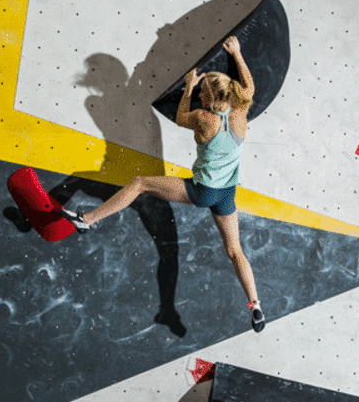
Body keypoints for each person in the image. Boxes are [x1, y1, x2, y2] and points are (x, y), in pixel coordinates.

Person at [61, 36, 265, 333]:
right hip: (226, 193)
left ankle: (88, 220)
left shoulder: (203, 118)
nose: (200, 97)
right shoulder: (240, 112)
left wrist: (189, 87)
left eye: (203, 94)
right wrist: (237, 53)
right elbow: (249, 86)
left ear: (208, 98)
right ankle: (255, 305)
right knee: (235, 251)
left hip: (202, 191)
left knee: (140, 183)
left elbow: (181, 117)